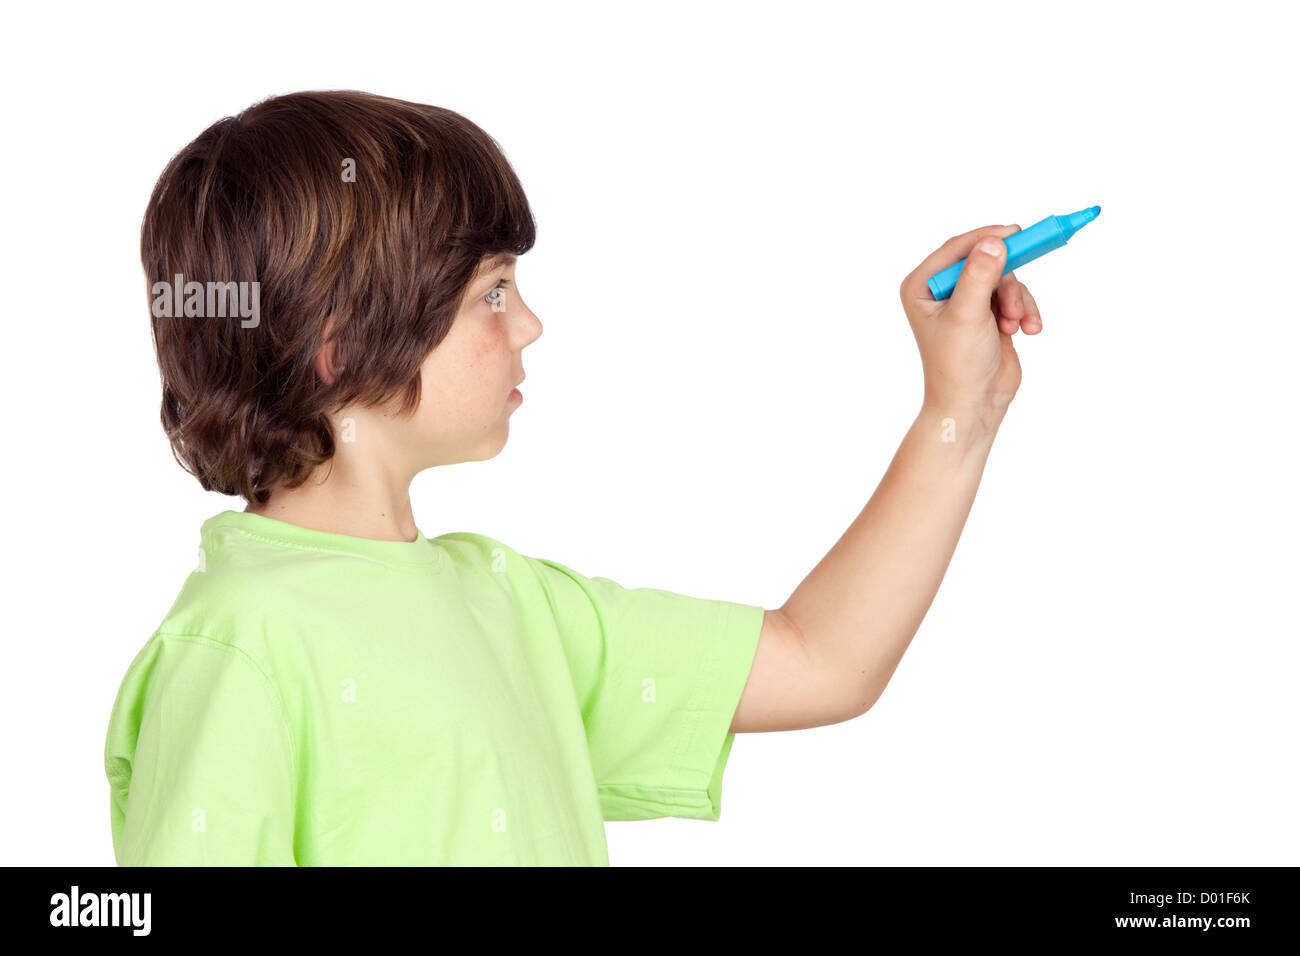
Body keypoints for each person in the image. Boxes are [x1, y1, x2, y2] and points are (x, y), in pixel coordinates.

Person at [104, 89, 1042, 865]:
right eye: (493, 292)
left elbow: (823, 659)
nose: (529, 325)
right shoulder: (236, 648)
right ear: (342, 347)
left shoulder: (512, 605)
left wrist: (961, 411)